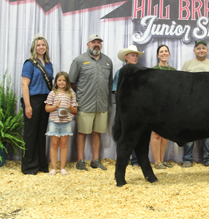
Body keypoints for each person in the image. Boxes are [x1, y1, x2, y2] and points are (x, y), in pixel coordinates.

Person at [69, 34, 113, 171]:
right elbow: (72, 82)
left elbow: (109, 83)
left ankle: (95, 160)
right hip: (84, 104)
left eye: (99, 42)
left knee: (97, 133)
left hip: (102, 104)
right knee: (82, 132)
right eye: (94, 42)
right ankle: (80, 160)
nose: (96, 44)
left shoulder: (107, 61)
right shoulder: (79, 60)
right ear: (88, 44)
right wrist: (82, 95)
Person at [181, 40, 209, 168]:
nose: (201, 50)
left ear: (207, 50)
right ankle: (187, 158)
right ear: (194, 51)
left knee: (208, 132)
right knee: (188, 131)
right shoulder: (187, 64)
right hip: (190, 103)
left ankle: (208, 158)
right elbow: (181, 84)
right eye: (198, 48)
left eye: (203, 48)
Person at [21, 34, 54, 175]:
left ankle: (41, 165)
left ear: (46, 48)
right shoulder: (29, 64)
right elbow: (24, 84)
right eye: (38, 45)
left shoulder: (49, 64)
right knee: (30, 133)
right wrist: (28, 105)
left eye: (43, 45)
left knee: (41, 133)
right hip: (32, 100)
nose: (41, 47)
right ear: (34, 47)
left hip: (45, 100)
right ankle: (29, 167)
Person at [112, 45, 144, 168]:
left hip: (138, 109)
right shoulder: (120, 73)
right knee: (125, 134)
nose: (135, 57)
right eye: (132, 55)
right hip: (125, 108)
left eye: (136, 55)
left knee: (138, 134)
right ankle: (123, 161)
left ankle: (136, 161)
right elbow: (116, 91)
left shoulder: (140, 72)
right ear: (126, 57)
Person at [45, 72, 78, 175]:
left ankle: (62, 167)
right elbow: (47, 108)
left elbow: (75, 110)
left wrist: (70, 108)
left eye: (64, 80)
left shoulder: (71, 94)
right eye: (59, 80)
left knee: (64, 144)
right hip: (54, 122)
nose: (62, 82)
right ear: (56, 82)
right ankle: (53, 168)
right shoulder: (52, 93)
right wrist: (55, 106)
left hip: (66, 122)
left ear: (67, 82)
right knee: (54, 144)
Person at [150, 45, 176, 169]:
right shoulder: (153, 70)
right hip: (156, 106)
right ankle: (156, 162)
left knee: (165, 134)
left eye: (166, 51)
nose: (164, 53)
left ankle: (162, 160)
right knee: (156, 134)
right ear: (158, 55)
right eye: (161, 51)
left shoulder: (174, 71)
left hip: (169, 107)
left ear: (169, 54)